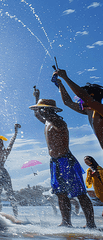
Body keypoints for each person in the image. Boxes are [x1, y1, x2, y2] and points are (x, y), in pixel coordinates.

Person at [30, 87, 96, 228]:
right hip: (55, 162)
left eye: (42, 109)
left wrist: (49, 114)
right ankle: (66, 222)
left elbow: (56, 125)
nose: (40, 112)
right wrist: (37, 97)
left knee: (80, 193)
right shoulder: (47, 121)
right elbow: (37, 115)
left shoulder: (58, 122)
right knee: (61, 194)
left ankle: (91, 224)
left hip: (66, 161)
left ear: (48, 110)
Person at [53, 69, 103, 149]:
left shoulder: (100, 110)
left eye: (81, 100)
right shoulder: (90, 112)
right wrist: (60, 85)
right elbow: (67, 102)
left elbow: (83, 96)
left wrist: (65, 77)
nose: (80, 102)